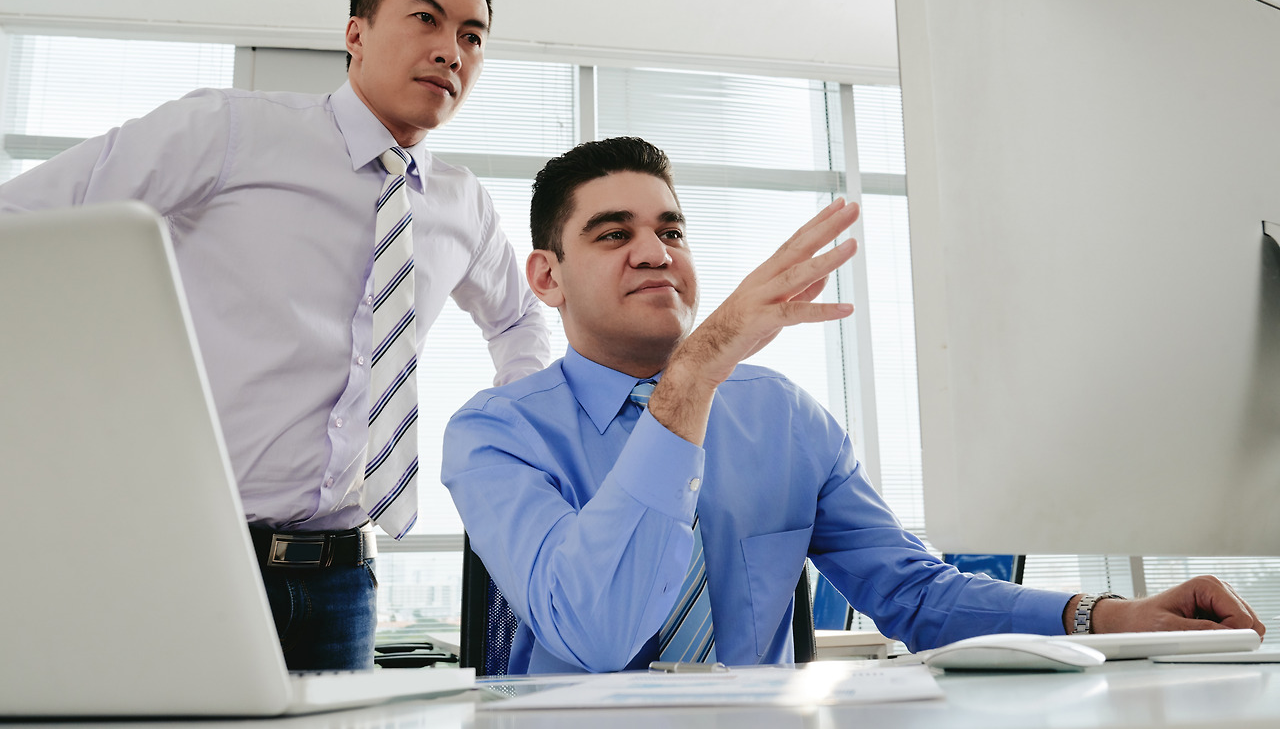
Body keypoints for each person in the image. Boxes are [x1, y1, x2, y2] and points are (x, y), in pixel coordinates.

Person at [442, 136, 1265, 674]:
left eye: (673, 230)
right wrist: (693, 375)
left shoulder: (786, 419)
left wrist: (1107, 616)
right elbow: (596, 633)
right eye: (614, 234)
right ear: (546, 277)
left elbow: (918, 596)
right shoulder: (495, 433)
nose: (657, 252)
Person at [0, 0, 551, 669]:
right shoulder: (230, 132)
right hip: (192, 559)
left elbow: (519, 319)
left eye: (472, 35)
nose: (452, 50)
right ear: (356, 33)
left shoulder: (463, 203)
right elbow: (26, 221)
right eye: (426, 19)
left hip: (344, 579)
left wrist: (510, 430)